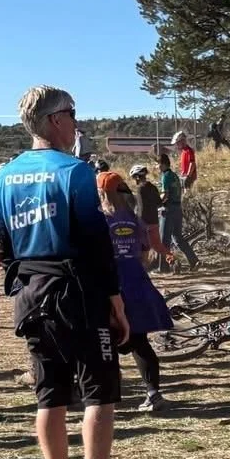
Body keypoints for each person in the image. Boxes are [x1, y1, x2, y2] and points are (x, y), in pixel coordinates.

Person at [0, 85, 136, 459]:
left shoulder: (4, 177)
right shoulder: (74, 172)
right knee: (100, 391)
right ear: (55, 120)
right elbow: (98, 244)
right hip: (78, 291)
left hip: (30, 293)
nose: (76, 121)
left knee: (49, 394)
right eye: (72, 113)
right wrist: (116, 303)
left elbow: (2, 246)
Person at [97, 172, 172, 412]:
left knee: (106, 341)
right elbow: (144, 252)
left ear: (101, 192)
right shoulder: (131, 218)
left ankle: (110, 396)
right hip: (136, 281)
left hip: (110, 283)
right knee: (140, 341)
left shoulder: (100, 220)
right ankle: (153, 392)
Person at [156, 153, 199, 270]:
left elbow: (165, 194)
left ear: (162, 164)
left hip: (168, 210)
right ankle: (194, 260)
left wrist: (156, 204)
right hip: (177, 209)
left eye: (158, 164)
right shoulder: (174, 175)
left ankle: (163, 268)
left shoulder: (165, 176)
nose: (157, 167)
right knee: (178, 238)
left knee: (164, 240)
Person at [131, 164, 163, 263]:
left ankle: (144, 268)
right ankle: (172, 260)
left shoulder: (140, 188)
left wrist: (137, 219)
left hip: (144, 222)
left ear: (137, 177)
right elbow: (159, 203)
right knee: (157, 245)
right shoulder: (153, 187)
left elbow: (141, 208)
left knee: (144, 247)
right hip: (154, 220)